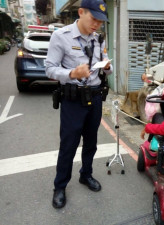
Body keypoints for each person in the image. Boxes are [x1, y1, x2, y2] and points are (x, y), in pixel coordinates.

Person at [45, 0, 113, 209]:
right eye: (94, 19)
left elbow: (105, 67)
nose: (97, 25)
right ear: (81, 12)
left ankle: (86, 175)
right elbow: (49, 69)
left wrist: (108, 67)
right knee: (69, 145)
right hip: (73, 100)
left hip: (94, 98)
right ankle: (60, 186)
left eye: (101, 22)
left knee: (91, 142)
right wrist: (72, 73)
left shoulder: (99, 39)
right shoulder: (61, 36)